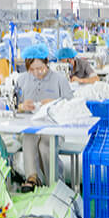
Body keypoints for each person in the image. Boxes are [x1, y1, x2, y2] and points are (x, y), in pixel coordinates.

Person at [17, 44, 73, 191]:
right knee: (28, 138)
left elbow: (72, 105)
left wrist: (55, 103)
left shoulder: (59, 80)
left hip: (54, 127)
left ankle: (53, 183)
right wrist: (22, 106)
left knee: (45, 145)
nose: (36, 73)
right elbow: (12, 105)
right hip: (30, 125)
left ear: (47, 63)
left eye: (40, 68)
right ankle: (32, 178)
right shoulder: (22, 80)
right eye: (32, 69)